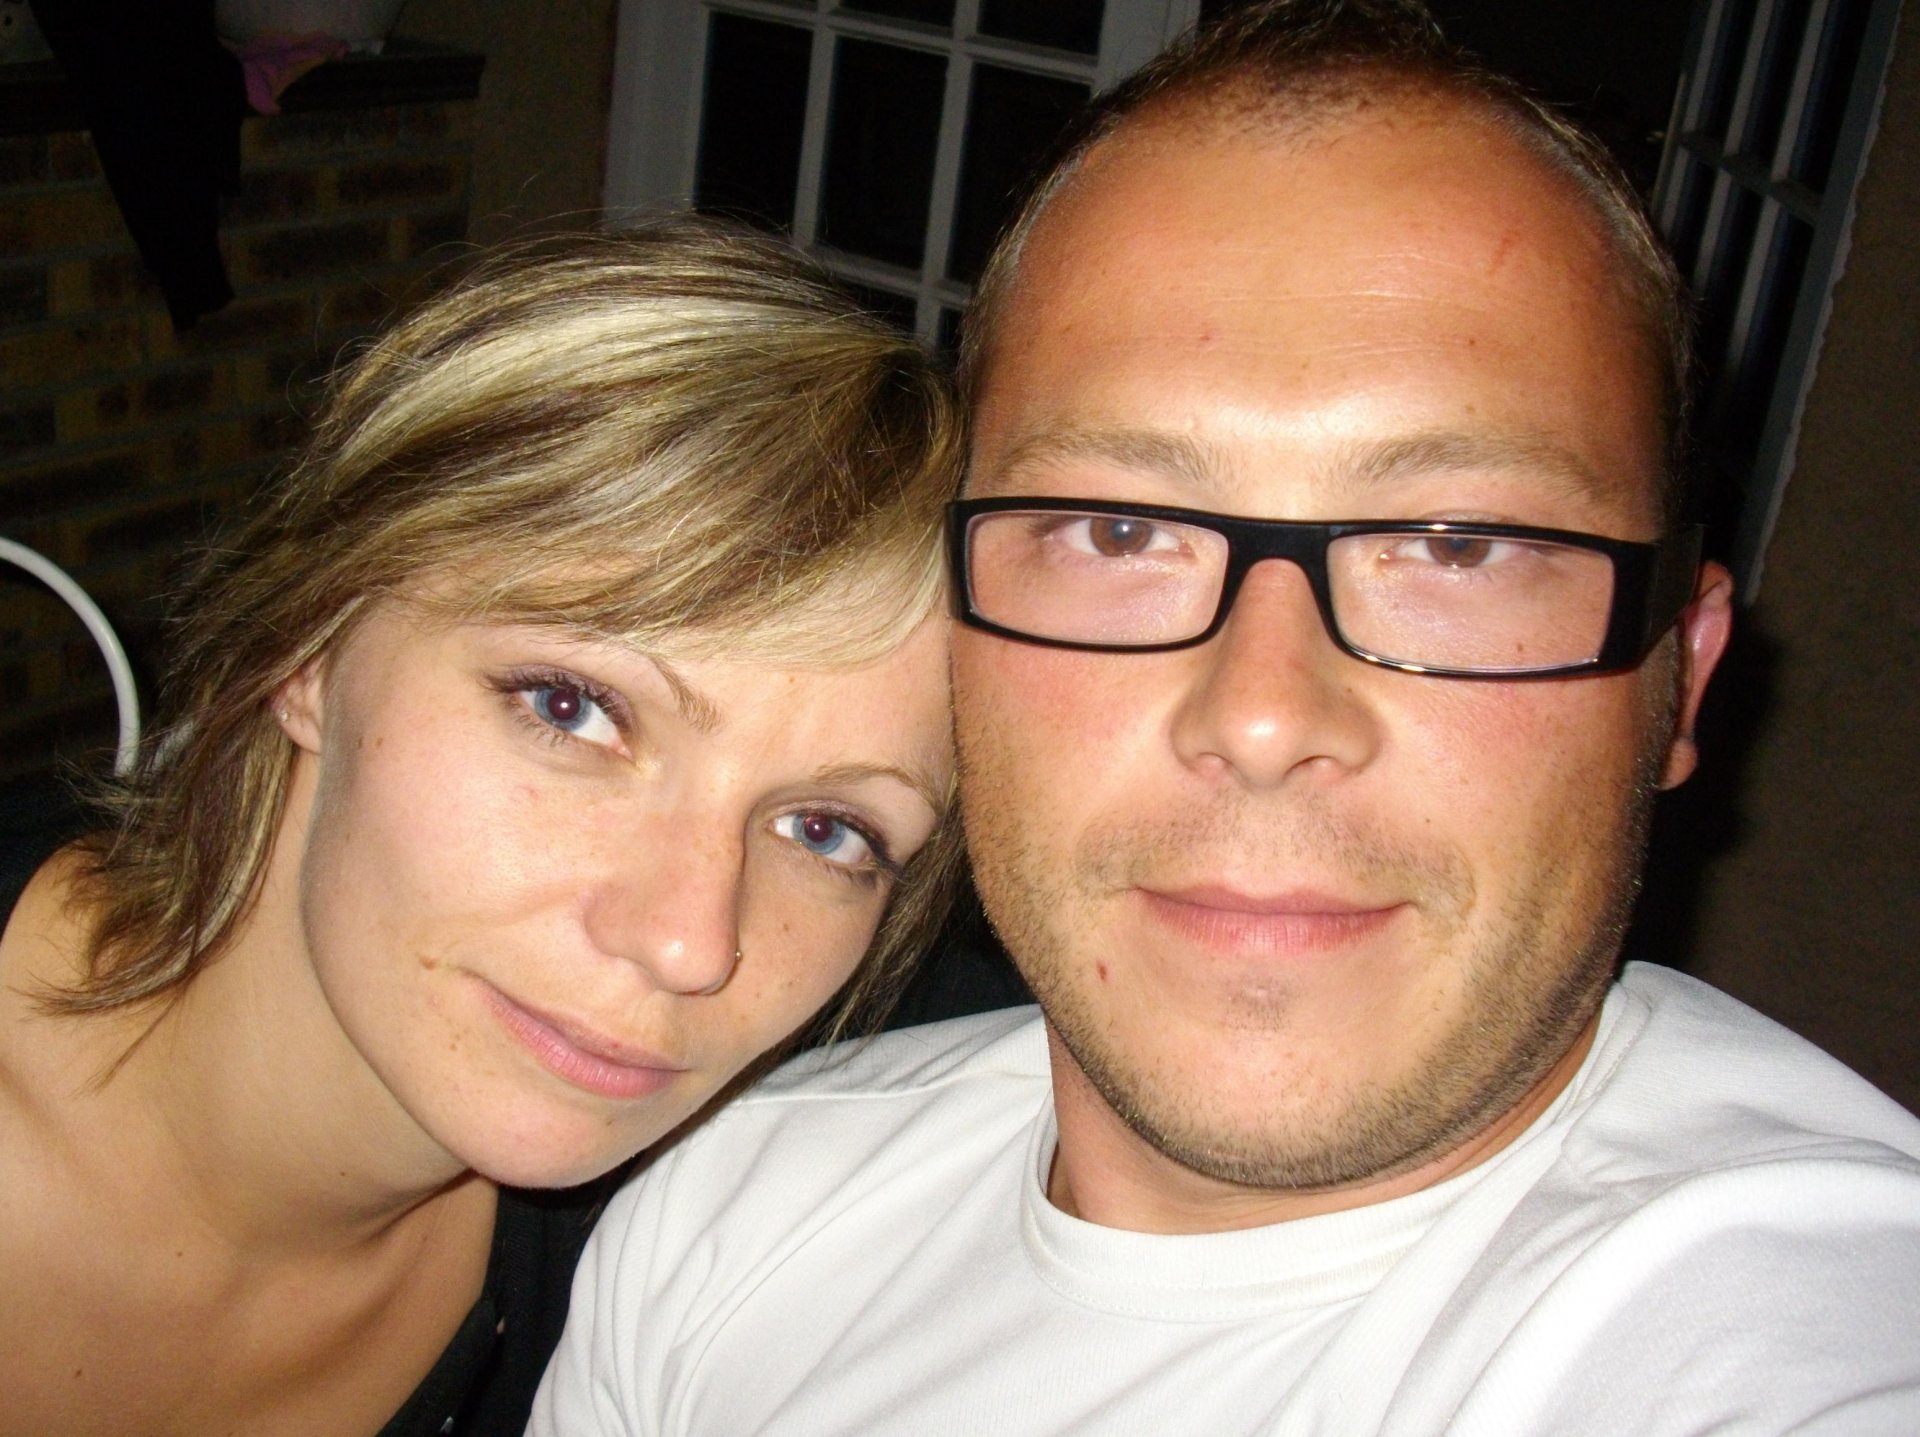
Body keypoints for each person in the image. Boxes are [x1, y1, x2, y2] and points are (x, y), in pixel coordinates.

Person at [532, 4, 1920, 1434]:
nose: (1261, 716)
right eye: (1120, 530)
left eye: (1459, 547)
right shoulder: (725, 1216)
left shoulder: (1806, 1336)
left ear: (1681, 674)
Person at [0, 215, 966, 1436]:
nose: (687, 942)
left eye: (826, 831)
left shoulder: (661, 1284)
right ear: (310, 644)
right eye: (573, 709)